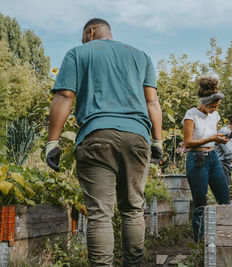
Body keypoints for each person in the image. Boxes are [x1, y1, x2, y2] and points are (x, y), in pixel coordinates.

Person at [45, 18, 162, 266]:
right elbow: (152, 102)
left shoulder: (78, 53)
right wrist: (158, 141)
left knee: (100, 215)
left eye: (84, 37)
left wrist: (52, 142)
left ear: (90, 32)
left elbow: (65, 95)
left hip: (96, 136)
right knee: (133, 209)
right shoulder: (141, 56)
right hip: (137, 137)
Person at [182, 77, 230, 242]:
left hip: (214, 158)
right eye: (211, 106)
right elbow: (188, 142)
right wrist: (212, 137)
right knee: (200, 205)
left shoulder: (215, 115)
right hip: (197, 159)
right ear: (203, 102)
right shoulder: (191, 114)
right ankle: (200, 245)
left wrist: (220, 139)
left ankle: (224, 240)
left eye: (216, 106)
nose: (214, 109)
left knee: (225, 201)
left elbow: (214, 138)